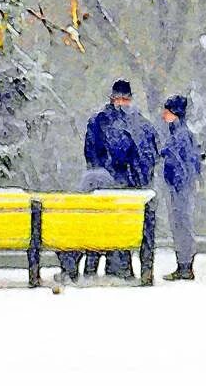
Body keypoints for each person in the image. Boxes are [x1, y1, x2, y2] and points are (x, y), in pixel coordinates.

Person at [83, 80, 159, 279]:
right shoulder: (139, 124)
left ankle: (100, 269)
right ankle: (127, 269)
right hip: (125, 189)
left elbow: (93, 156)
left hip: (118, 190)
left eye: (125, 99)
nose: (122, 103)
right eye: (120, 99)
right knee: (124, 231)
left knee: (105, 231)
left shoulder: (101, 122)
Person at [159, 94, 203, 281]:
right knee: (180, 225)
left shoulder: (181, 136)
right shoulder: (181, 134)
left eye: (167, 111)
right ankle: (183, 264)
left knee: (181, 224)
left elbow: (182, 163)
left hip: (180, 189)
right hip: (180, 187)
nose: (163, 115)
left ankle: (184, 265)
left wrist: (178, 183)